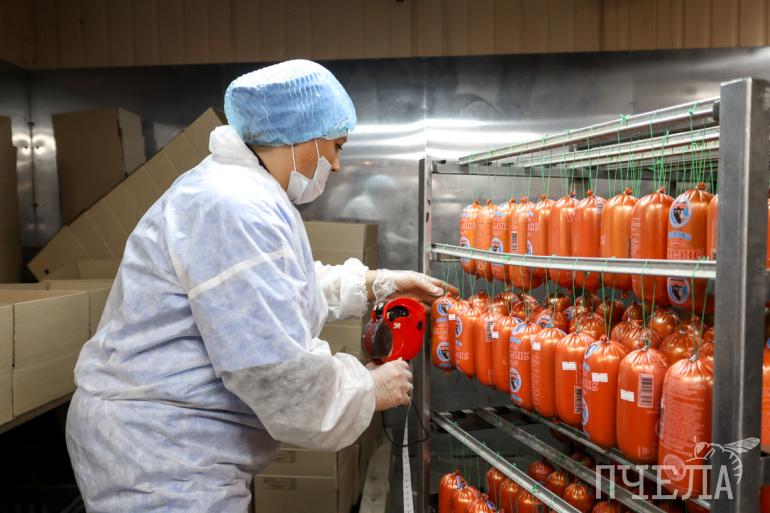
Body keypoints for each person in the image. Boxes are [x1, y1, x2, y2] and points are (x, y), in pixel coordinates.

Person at [65, 60, 454, 512]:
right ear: (301, 134)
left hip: (176, 443)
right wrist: (367, 389)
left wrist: (379, 284)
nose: (335, 164)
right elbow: (275, 371)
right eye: (335, 146)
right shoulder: (234, 205)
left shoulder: (241, 189)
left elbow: (271, 290)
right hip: (161, 453)